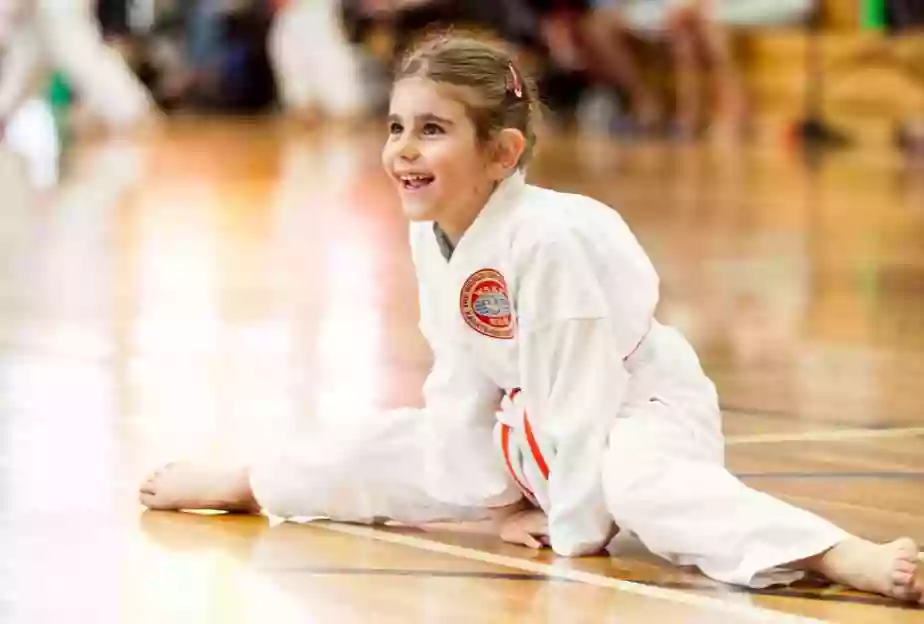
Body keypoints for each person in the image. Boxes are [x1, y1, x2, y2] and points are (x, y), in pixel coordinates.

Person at [139, 32, 923, 604]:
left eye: (433, 130)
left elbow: (579, 397)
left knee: (641, 487)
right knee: (390, 441)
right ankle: (252, 480)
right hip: (530, 426)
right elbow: (459, 378)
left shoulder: (552, 239)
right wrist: (497, 498)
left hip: (632, 411)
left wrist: (571, 526)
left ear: (502, 153)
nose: (404, 150)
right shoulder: (433, 233)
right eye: (396, 127)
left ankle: (835, 552)